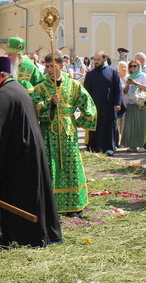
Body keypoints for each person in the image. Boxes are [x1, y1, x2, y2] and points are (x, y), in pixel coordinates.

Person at [0, 56, 62, 246]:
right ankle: (42, 233)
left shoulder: (5, 93)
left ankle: (26, 236)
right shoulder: (17, 89)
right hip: (28, 150)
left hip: (21, 156)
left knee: (23, 196)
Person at [31, 51, 97, 216]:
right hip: (48, 133)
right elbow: (34, 109)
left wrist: (79, 122)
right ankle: (52, 206)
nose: (49, 70)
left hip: (68, 132)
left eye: (52, 66)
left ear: (61, 66)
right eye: (47, 66)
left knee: (71, 166)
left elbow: (88, 105)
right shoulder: (40, 86)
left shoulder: (73, 85)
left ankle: (74, 204)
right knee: (50, 166)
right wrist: (49, 103)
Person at [83, 51, 123, 155]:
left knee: (108, 127)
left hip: (109, 105)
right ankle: (94, 148)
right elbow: (86, 91)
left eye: (98, 60)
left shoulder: (113, 72)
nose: (96, 62)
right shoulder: (90, 74)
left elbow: (117, 89)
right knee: (95, 126)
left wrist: (117, 103)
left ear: (104, 59)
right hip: (94, 105)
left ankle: (109, 148)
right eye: (95, 60)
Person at [121, 60, 146, 152]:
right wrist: (127, 84)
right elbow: (125, 92)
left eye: (135, 66)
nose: (133, 68)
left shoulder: (142, 75)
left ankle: (142, 145)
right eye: (131, 66)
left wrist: (135, 83)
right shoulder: (128, 77)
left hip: (140, 102)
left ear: (138, 67)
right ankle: (132, 145)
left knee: (140, 124)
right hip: (131, 102)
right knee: (130, 125)